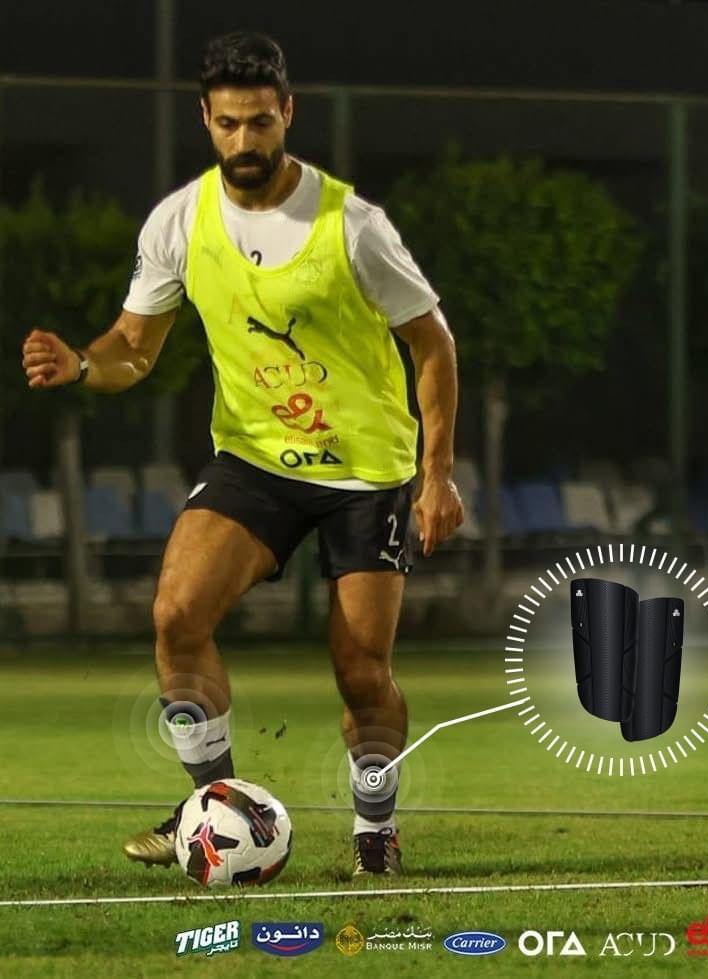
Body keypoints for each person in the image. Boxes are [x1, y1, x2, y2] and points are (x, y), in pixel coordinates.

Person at [21, 32, 464, 876]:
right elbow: (133, 347)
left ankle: (375, 830)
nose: (246, 142)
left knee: (361, 669)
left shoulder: (355, 225)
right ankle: (210, 812)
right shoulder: (180, 220)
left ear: (287, 114)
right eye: (228, 125)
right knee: (175, 616)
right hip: (254, 461)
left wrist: (436, 476)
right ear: (206, 120)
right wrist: (83, 362)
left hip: (365, 474)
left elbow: (433, 344)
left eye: (260, 123)